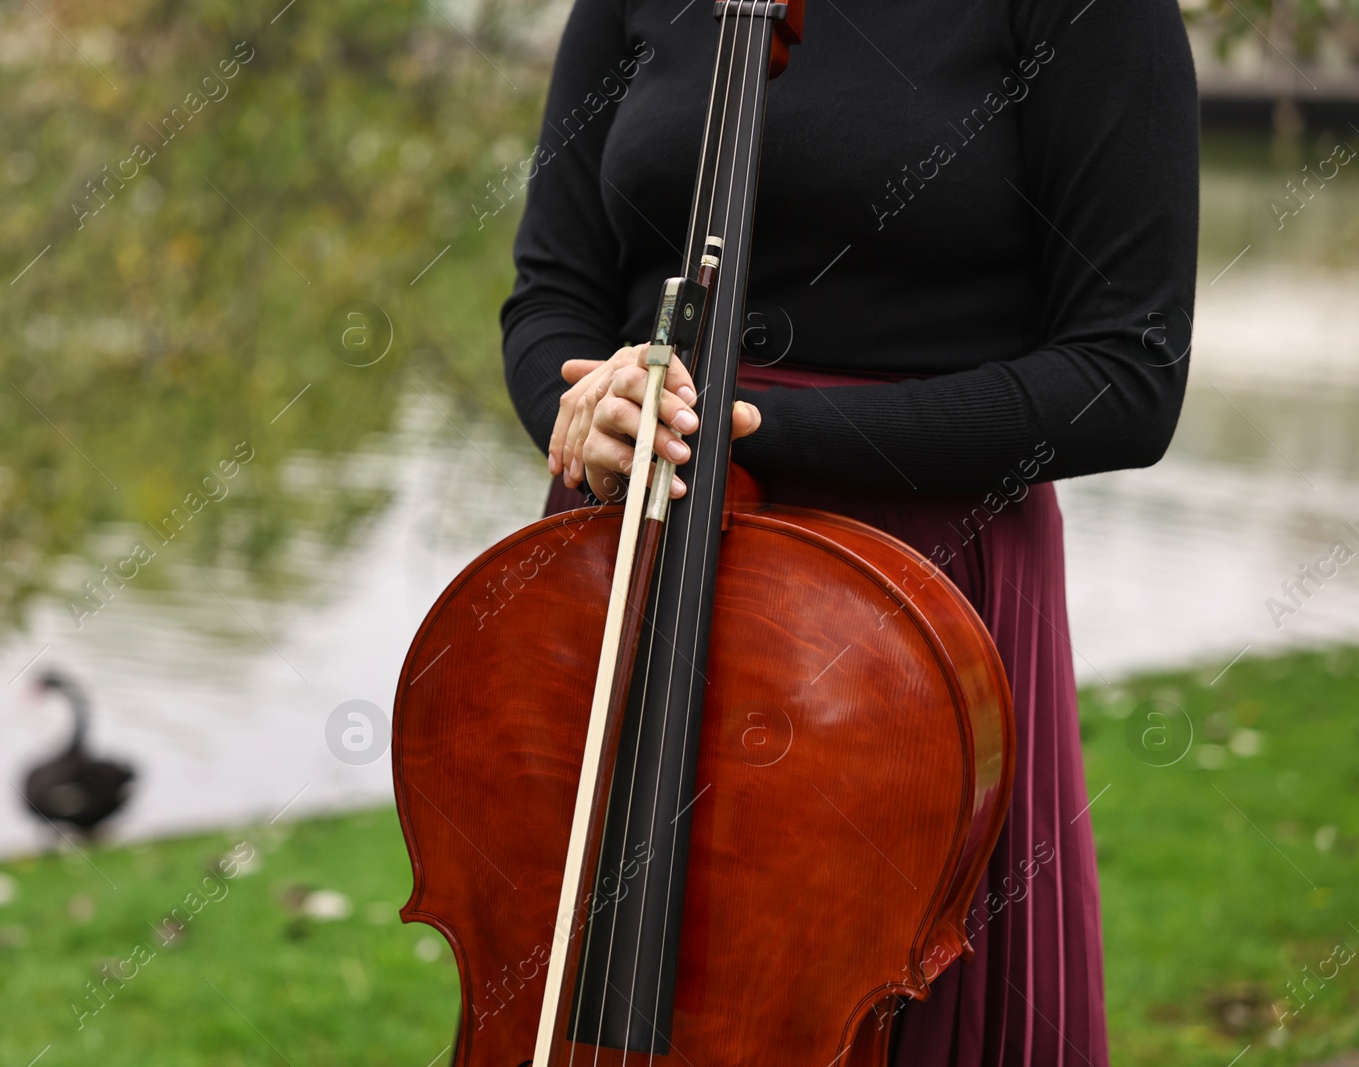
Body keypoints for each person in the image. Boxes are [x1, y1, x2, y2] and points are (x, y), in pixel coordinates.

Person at [499, 0, 1199, 1062]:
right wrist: (588, 406)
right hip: (630, 541)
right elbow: (554, 289)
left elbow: (1126, 376)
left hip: (908, 585)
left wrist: (756, 427)